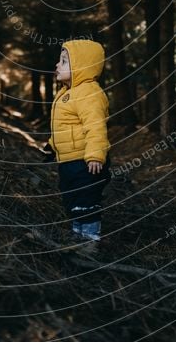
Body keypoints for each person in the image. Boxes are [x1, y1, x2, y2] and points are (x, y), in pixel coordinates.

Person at [41, 39, 111, 254]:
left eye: (63, 62)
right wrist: (53, 146)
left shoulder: (90, 93)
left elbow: (96, 127)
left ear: (82, 66)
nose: (57, 65)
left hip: (86, 162)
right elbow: (66, 127)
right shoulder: (66, 92)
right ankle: (77, 235)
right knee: (72, 199)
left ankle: (89, 242)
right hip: (68, 162)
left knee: (86, 201)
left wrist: (95, 156)